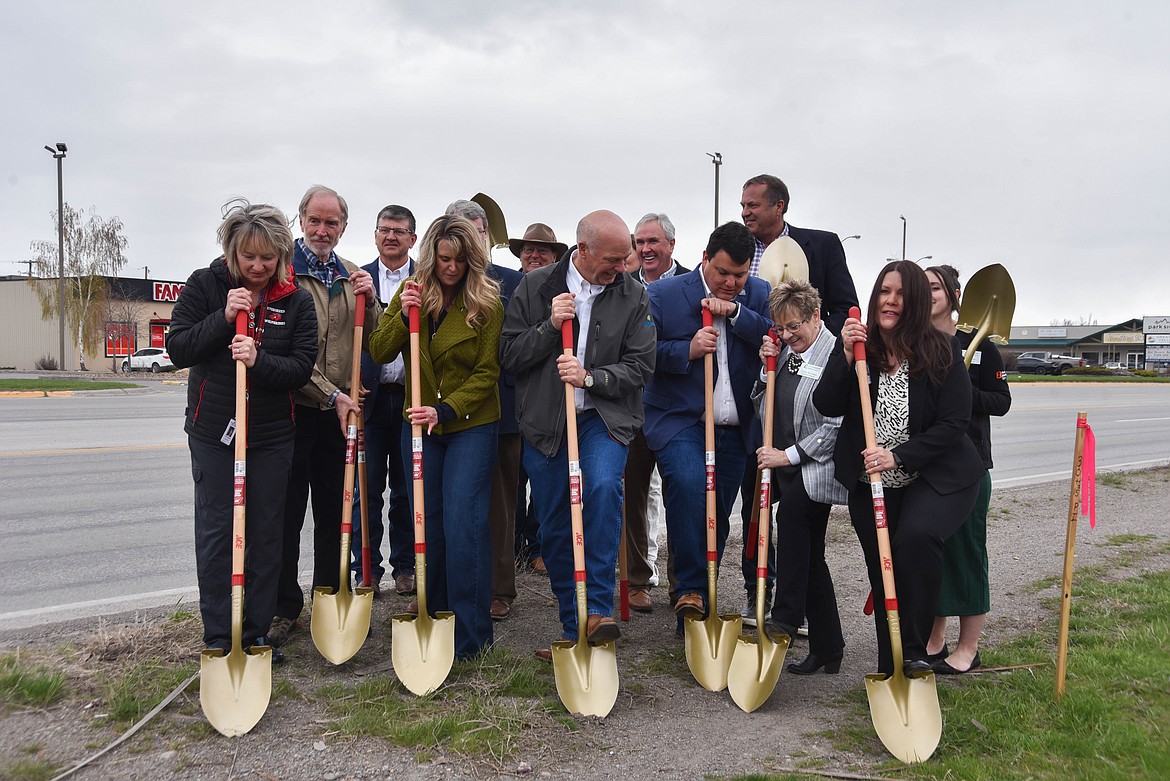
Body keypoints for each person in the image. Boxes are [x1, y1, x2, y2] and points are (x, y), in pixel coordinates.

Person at [813, 260, 984, 675]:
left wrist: (900, 454)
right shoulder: (861, 349)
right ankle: (891, 667)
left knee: (915, 540)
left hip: (935, 474)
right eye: (885, 291)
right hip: (871, 481)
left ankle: (913, 652)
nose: (890, 300)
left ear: (919, 302)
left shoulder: (941, 351)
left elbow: (955, 422)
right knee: (882, 568)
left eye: (902, 293)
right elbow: (827, 404)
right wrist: (842, 352)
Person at [501, 209, 655, 659]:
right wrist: (550, 327)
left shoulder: (633, 295)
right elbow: (510, 355)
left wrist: (591, 378)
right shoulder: (536, 286)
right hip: (547, 422)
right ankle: (575, 625)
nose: (622, 267)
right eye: (613, 259)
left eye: (625, 258)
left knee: (604, 489)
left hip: (603, 417)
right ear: (582, 250)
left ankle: (600, 611)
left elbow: (642, 365)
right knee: (553, 523)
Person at [168, 200, 318, 661]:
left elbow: (299, 367)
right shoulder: (206, 284)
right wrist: (221, 318)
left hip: (271, 436)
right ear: (232, 250)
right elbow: (177, 348)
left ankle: (253, 633)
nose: (257, 266)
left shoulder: (295, 299)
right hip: (215, 432)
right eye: (248, 256)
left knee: (265, 532)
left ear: (281, 256)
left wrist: (259, 360)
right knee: (217, 531)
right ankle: (218, 635)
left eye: (267, 258)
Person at [368, 214, 503, 659]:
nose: (451, 268)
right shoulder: (414, 292)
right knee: (431, 524)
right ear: (430, 256)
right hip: (420, 425)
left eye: (460, 261)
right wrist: (400, 311)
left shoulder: (486, 301)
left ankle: (471, 635)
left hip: (468, 422)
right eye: (444, 259)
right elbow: (380, 351)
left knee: (464, 523)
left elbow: (487, 373)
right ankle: (436, 614)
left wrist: (444, 408)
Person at [737, 173, 860, 624]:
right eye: (742, 205)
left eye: (754, 204)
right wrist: (777, 347)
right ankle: (761, 595)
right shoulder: (740, 251)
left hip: (810, 430)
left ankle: (795, 612)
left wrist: (805, 334)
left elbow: (845, 306)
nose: (746, 212)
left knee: (800, 527)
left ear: (780, 205)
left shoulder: (820, 246)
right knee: (760, 509)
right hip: (768, 405)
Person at [268, 185, 380, 649]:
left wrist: (371, 303)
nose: (322, 230)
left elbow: (372, 340)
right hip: (294, 410)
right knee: (287, 513)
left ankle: (330, 597)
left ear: (343, 228)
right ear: (300, 221)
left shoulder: (351, 275)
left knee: (337, 513)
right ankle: (282, 606)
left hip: (342, 417)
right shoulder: (282, 272)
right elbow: (285, 350)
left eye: (331, 223)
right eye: (314, 220)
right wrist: (330, 392)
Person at [644, 222, 770, 631]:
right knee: (688, 486)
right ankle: (691, 592)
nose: (732, 282)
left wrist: (735, 313)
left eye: (740, 273)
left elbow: (775, 336)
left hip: (734, 427)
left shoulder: (758, 294)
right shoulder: (663, 294)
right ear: (704, 260)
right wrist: (687, 349)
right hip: (680, 420)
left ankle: (700, 600)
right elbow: (642, 352)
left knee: (716, 511)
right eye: (723, 273)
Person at [754, 280, 848, 671]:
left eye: (795, 326)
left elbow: (835, 426)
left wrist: (787, 456)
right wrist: (766, 370)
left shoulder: (833, 354)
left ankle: (787, 617)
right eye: (781, 328)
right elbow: (764, 406)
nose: (788, 335)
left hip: (819, 468)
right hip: (788, 465)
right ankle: (828, 647)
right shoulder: (790, 353)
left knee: (790, 518)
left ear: (814, 316)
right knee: (811, 558)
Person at [925, 264, 1012, 674]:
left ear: (955, 294)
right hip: (925, 467)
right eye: (921, 288)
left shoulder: (978, 345)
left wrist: (960, 387)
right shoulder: (913, 343)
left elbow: (1000, 401)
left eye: (936, 288)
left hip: (969, 467)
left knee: (967, 556)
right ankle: (934, 638)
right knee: (933, 555)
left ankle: (969, 648)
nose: (928, 294)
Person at [445, 199, 525, 622]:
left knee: (499, 504)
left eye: (476, 234)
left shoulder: (511, 281)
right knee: (452, 504)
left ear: (486, 237)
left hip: (503, 408)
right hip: (449, 412)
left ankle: (499, 587)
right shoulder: (440, 280)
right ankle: (446, 587)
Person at [624, 213, 692, 613]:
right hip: (630, 406)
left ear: (671, 244)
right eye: (640, 242)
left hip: (677, 409)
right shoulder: (622, 287)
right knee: (631, 494)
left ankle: (682, 582)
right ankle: (635, 579)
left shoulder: (689, 287)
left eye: (653, 241)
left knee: (680, 493)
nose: (646, 249)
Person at [353, 205, 418, 598]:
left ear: (413, 237)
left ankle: (406, 567)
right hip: (370, 400)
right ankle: (367, 569)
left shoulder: (426, 280)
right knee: (366, 487)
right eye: (384, 230)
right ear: (375, 235)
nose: (391, 236)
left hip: (412, 401)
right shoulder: (357, 279)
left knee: (408, 489)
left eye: (399, 231)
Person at [506, 223, 570, 576]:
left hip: (548, 405)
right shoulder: (508, 286)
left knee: (545, 483)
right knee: (512, 482)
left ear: (555, 256)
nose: (533, 254)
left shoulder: (562, 292)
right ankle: (514, 545)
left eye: (542, 250)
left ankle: (537, 546)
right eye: (528, 248)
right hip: (510, 399)